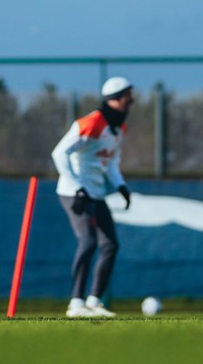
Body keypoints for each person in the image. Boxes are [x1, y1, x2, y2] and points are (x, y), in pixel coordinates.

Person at [51, 76, 134, 318]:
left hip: (96, 193)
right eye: (127, 95)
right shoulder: (91, 122)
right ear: (114, 99)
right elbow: (59, 153)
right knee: (87, 242)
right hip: (73, 193)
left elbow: (110, 163)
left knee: (110, 244)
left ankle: (94, 301)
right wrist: (77, 186)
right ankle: (75, 303)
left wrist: (121, 185)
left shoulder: (119, 128)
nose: (131, 100)